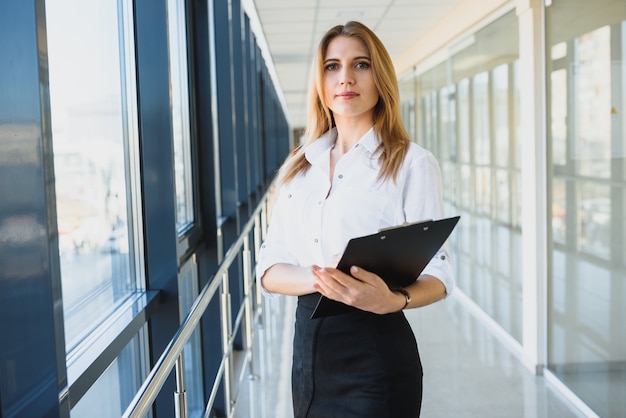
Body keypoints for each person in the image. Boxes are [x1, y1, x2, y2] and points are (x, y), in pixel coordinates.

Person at [255, 21, 454, 418]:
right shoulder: (299, 167)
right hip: (308, 357)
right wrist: (324, 278)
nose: (345, 77)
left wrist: (392, 299)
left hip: (375, 354)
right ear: (320, 81)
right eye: (332, 66)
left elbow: (441, 275)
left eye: (360, 64)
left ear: (379, 77)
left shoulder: (411, 164)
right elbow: (267, 268)